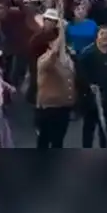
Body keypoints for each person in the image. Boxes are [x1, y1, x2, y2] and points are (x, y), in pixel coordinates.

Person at [75, 24, 107, 148]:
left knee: (105, 128)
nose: (105, 36)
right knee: (89, 128)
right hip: (91, 98)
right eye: (102, 33)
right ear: (97, 36)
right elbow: (79, 74)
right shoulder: (87, 53)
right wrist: (88, 85)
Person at [35, 8, 76, 149]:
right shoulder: (44, 59)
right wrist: (61, 34)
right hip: (49, 107)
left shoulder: (67, 59)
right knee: (44, 139)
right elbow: (51, 58)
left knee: (58, 141)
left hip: (64, 106)